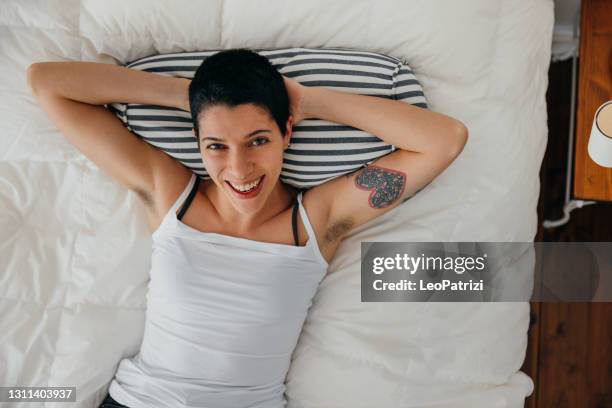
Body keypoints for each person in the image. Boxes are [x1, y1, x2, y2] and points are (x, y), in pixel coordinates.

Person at [27, 49, 468, 408]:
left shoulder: (316, 221)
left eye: (258, 140)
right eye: (216, 146)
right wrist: (192, 97)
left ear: (286, 132)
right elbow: (46, 81)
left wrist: (309, 101)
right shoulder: (170, 196)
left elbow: (444, 140)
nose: (239, 169)